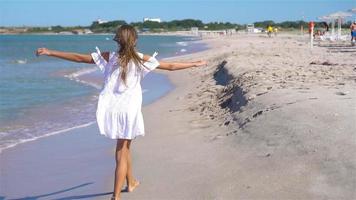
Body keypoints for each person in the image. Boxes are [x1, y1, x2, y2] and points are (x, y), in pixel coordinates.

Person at [36, 24, 207, 200]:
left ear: (117, 40)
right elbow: (170, 66)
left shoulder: (109, 57)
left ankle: (131, 182)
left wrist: (50, 52)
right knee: (122, 150)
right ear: (135, 40)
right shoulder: (141, 59)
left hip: (111, 108)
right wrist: (195, 63)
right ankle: (116, 197)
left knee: (125, 147)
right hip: (129, 110)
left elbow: (79, 58)